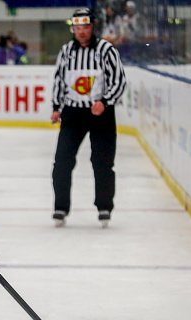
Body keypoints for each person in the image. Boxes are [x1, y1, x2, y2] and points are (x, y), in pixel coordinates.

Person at [50, 8, 126, 228]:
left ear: (92, 27)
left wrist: (105, 101)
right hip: (73, 113)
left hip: (100, 113)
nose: (81, 32)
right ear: (73, 28)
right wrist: (56, 107)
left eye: (85, 27)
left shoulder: (106, 49)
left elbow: (119, 80)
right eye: (77, 28)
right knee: (62, 162)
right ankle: (60, 207)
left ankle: (104, 206)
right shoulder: (66, 51)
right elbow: (59, 81)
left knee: (102, 162)